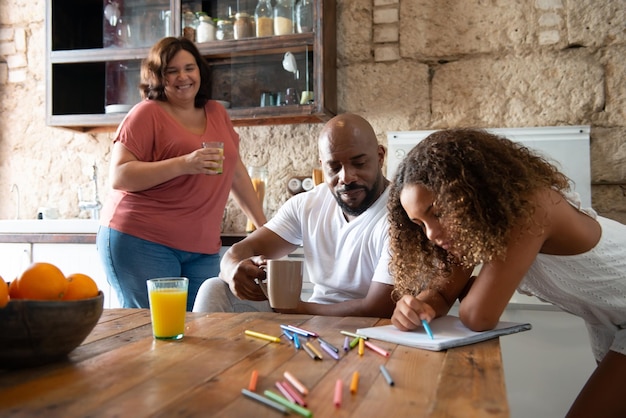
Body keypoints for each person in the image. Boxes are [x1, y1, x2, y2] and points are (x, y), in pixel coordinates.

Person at [387, 128, 626, 418]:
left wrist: (463, 289)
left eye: (437, 213)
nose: (432, 234)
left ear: (468, 192)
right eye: (419, 223)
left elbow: (478, 316)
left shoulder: (530, 209)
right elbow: (440, 296)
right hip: (611, 320)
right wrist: (413, 307)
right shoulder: (476, 227)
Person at [97, 37, 266, 311]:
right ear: (157, 76)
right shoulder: (146, 113)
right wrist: (185, 163)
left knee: (200, 332)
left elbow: (235, 173)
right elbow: (119, 175)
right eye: (171, 71)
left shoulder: (216, 112)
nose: (182, 77)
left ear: (200, 71)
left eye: (189, 68)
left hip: (202, 247)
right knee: (154, 331)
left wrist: (263, 229)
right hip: (142, 240)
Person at [192, 113, 395, 317]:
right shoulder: (307, 204)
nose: (346, 177)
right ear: (322, 165)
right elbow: (238, 251)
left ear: (380, 157)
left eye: (359, 164)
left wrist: (298, 309)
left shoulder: (401, 215)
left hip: (366, 329)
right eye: (334, 167)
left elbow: (379, 308)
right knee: (214, 288)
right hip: (310, 322)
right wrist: (233, 271)